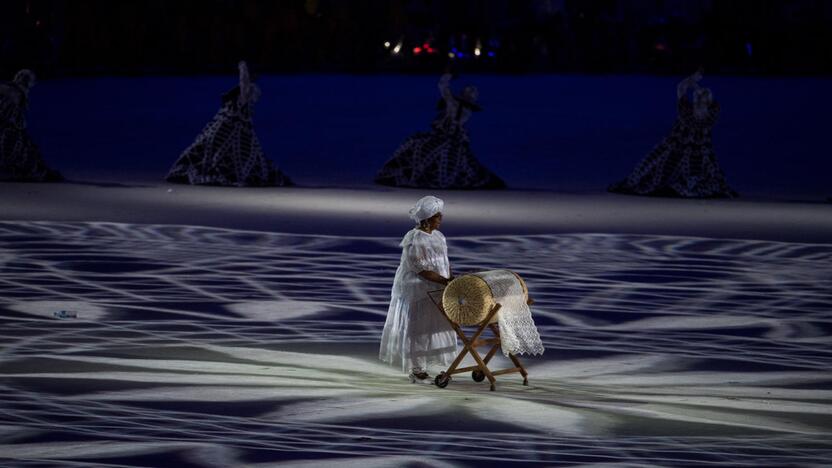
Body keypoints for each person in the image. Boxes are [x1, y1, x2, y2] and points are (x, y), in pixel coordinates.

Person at [609, 69, 737, 198]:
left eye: (702, 99)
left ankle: (678, 185)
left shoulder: (697, 113)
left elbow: (682, 89)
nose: (700, 101)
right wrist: (693, 82)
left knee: (687, 175)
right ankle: (659, 183)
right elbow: (683, 89)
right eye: (699, 99)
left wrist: (692, 82)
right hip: (678, 148)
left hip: (690, 151)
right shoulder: (700, 113)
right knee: (653, 166)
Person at [166, 61, 291, 187]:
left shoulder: (247, 92)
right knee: (210, 149)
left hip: (232, 126)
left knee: (223, 152)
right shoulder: (245, 93)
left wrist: (242, 69)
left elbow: (244, 87)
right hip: (226, 125)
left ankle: (221, 170)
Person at [375, 72, 505, 189]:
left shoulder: (459, 107)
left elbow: (444, 89)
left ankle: (426, 175)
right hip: (448, 136)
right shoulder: (459, 107)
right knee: (429, 152)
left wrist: (447, 77)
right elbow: (444, 90)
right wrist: (447, 77)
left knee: (443, 156)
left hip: (450, 137)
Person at [379, 195, 458, 383]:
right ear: (428, 218)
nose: (441, 219)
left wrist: (449, 277)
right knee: (419, 328)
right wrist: (444, 281)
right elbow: (420, 269)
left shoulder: (439, 236)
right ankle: (417, 368)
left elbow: (444, 262)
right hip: (418, 289)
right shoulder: (414, 239)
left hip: (438, 286)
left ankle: (429, 362)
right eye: (438, 216)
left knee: (435, 325)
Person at [0, 69, 63, 182]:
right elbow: (14, 119)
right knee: (23, 149)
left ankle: (33, 171)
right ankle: (36, 173)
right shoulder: (15, 94)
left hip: (6, 129)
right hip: (6, 131)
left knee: (23, 147)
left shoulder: (7, 90)